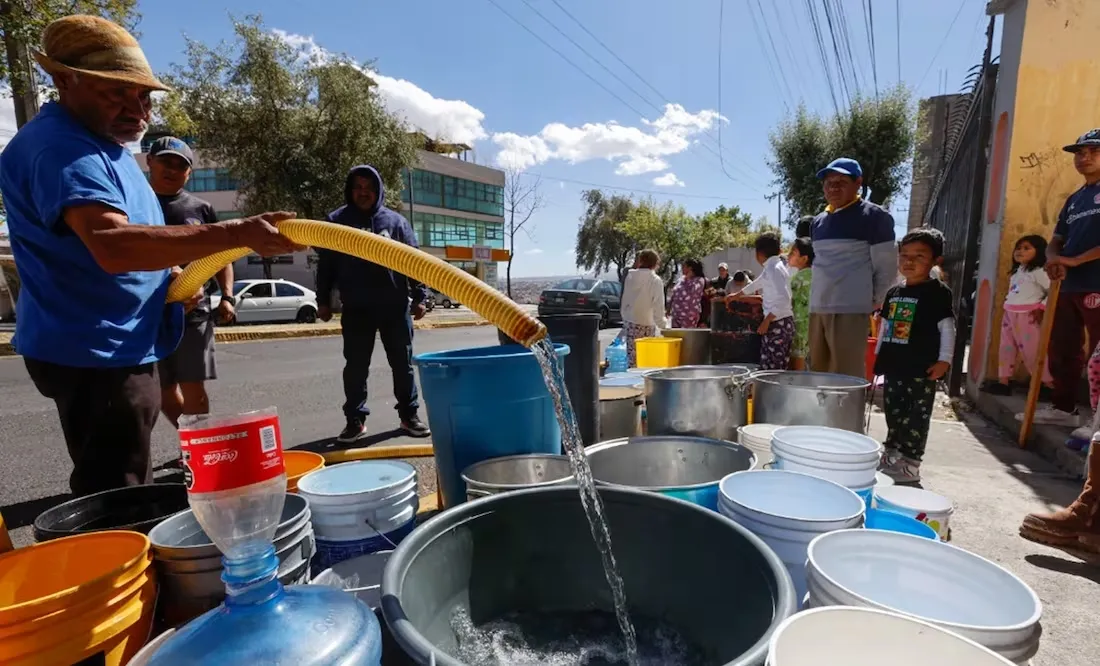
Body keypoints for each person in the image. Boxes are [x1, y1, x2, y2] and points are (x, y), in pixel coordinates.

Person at [0, 15, 300, 495]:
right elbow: (113, 244)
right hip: (95, 352)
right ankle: (115, 562)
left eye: (143, 96)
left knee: (126, 472)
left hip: (115, 342)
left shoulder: (101, 143)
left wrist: (170, 277)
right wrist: (234, 232)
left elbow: (124, 241)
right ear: (64, 80)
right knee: (116, 491)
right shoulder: (62, 148)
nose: (137, 110)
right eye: (116, 92)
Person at [316, 165, 431, 443]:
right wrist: (322, 301)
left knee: (402, 365)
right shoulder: (336, 221)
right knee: (355, 367)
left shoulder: (395, 222)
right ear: (350, 190)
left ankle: (409, 415)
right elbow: (326, 266)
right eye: (358, 187)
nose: (363, 193)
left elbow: (413, 260)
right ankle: (355, 420)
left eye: (368, 187)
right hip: (356, 308)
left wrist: (420, 296)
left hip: (393, 307)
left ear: (378, 189)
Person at [146, 136, 236, 427]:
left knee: (193, 387)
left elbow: (222, 257)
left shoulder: (200, 209)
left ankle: (199, 450)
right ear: (150, 162)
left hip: (193, 313)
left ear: (189, 172)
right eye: (165, 161)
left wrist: (227, 296)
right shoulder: (134, 204)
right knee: (160, 389)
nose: (171, 169)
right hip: (148, 312)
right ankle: (191, 445)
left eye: (179, 165)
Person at [1018, 129, 1100, 428]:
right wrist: (1053, 259)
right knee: (1063, 347)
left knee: (1097, 354)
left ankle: (1097, 420)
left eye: (1093, 151)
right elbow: (1057, 239)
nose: (1084, 157)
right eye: (1080, 152)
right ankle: (1064, 408)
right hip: (1068, 284)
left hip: (1096, 283)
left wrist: (1077, 260)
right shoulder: (1075, 199)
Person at [874, 228, 955, 484]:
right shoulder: (894, 293)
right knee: (894, 411)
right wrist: (877, 357)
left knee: (916, 417)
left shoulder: (939, 293)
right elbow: (885, 328)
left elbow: (947, 328)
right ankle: (891, 454)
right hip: (894, 366)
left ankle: (911, 464)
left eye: (919, 256)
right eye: (904, 255)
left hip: (922, 368)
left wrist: (945, 360)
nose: (909, 261)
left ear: (935, 260)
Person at [810, 158, 897, 378]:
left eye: (841, 181)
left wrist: (872, 302)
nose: (833, 187)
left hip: (850, 311)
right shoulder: (818, 222)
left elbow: (886, 267)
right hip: (818, 309)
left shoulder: (875, 217)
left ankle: (848, 414)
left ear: (858, 183)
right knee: (817, 376)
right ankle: (822, 415)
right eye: (829, 182)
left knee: (845, 378)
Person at [981, 235, 1052, 399]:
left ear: (1039, 251)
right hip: (1010, 314)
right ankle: (1004, 382)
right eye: (1018, 248)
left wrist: (1041, 307)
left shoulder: (1039, 272)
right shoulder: (1018, 271)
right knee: (1006, 348)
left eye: (1027, 248)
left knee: (1032, 352)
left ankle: (1047, 384)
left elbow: (1054, 291)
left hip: (1028, 317)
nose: (1020, 251)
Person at [727, 232, 794, 371]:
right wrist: (737, 295)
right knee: (767, 365)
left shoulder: (775, 269)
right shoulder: (772, 267)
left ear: (758, 253)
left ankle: (774, 392)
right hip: (776, 322)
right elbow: (757, 283)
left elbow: (784, 298)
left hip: (778, 323)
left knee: (775, 368)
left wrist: (767, 320)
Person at [620, 249, 665, 367]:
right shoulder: (655, 280)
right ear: (655, 264)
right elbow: (658, 306)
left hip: (631, 322)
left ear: (640, 261)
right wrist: (663, 325)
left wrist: (625, 317)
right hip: (647, 324)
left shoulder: (629, 277)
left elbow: (625, 299)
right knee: (646, 361)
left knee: (632, 360)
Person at [788, 237, 815, 370]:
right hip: (812, 327)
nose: (789, 255)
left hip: (798, 328)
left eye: (793, 252)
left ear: (804, 258)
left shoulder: (798, 278)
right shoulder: (816, 274)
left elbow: (788, 300)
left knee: (796, 370)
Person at [668, 258, 706, 328]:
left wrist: (688, 276)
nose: (682, 269)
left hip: (689, 315)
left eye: (684, 267)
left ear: (690, 268)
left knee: (686, 337)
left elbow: (693, 291)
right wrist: (668, 309)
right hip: (676, 314)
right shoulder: (680, 279)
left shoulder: (699, 280)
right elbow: (674, 294)